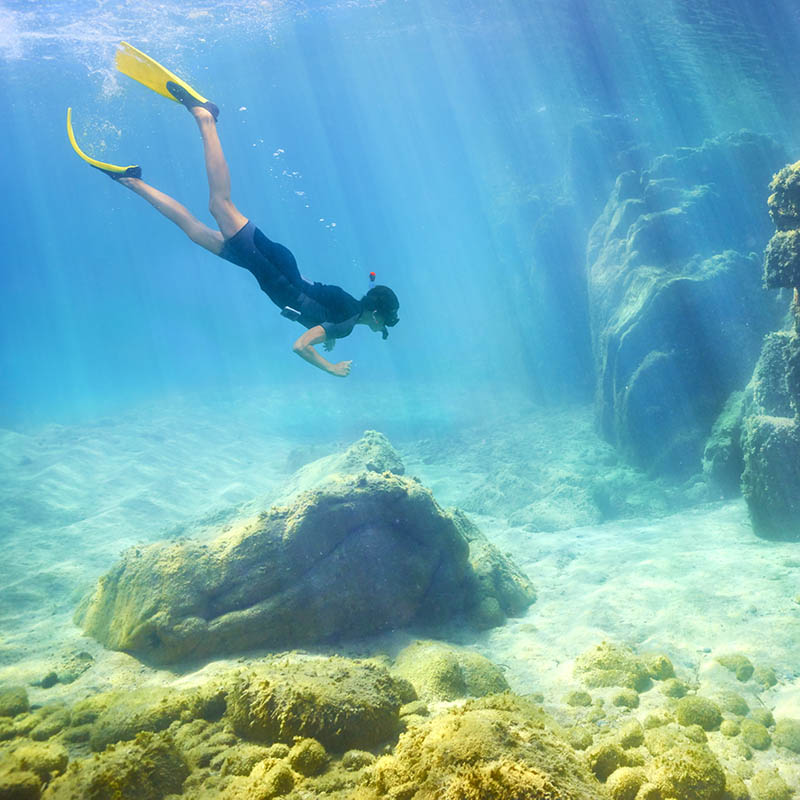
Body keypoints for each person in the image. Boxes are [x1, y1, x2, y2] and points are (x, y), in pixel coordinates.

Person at [67, 42, 399, 378]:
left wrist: (325, 334)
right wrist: (331, 368)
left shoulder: (348, 317)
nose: (383, 326)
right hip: (269, 264)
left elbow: (322, 306)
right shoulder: (345, 323)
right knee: (219, 204)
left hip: (269, 268)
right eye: (386, 322)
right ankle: (205, 118)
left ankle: (132, 182)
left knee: (196, 233)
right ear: (378, 315)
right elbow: (299, 346)